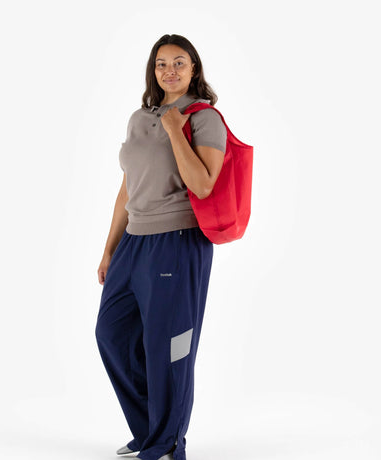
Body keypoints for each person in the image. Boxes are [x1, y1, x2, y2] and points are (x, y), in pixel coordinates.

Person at [95, 34, 227, 460]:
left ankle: (167, 444)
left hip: (177, 241)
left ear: (194, 69)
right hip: (134, 242)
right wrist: (109, 248)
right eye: (161, 63)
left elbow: (204, 184)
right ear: (153, 70)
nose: (169, 70)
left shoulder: (204, 118)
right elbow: (126, 188)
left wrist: (176, 130)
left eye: (179, 62)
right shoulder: (139, 117)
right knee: (113, 334)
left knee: (168, 348)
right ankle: (152, 430)